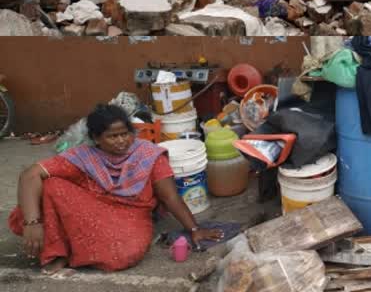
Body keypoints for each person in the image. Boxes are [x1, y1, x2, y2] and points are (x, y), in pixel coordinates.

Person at [9, 104, 223, 274]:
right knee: (51, 186)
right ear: (96, 139)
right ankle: (58, 253)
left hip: (131, 215)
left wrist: (194, 229)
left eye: (125, 134)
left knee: (125, 254)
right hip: (93, 207)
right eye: (112, 136)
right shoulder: (84, 156)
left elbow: (170, 197)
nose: (121, 141)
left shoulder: (148, 155)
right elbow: (31, 174)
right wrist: (32, 223)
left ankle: (75, 252)